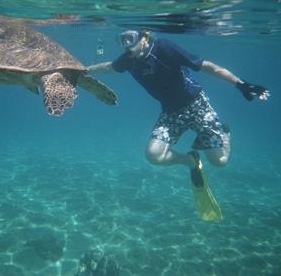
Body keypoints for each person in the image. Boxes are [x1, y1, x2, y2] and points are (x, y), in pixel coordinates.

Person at [87, 30, 270, 188]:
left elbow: (207, 67)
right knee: (153, 155)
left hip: (197, 106)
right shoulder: (128, 60)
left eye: (130, 38)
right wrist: (85, 69)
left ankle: (225, 135)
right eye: (121, 40)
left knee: (219, 162)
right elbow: (110, 67)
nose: (126, 44)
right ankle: (190, 161)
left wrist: (240, 83)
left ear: (143, 37)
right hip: (171, 112)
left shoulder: (163, 47)